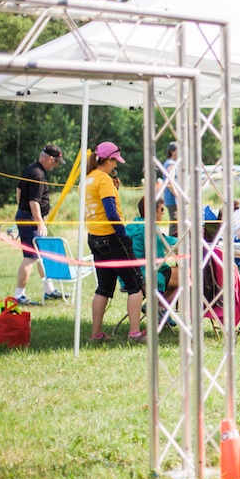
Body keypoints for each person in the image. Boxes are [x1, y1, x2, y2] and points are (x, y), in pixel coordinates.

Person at [85, 142, 145, 342]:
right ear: (108, 159)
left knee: (103, 287)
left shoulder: (88, 179)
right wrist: (123, 235)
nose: (116, 165)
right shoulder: (103, 180)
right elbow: (111, 212)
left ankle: (96, 334)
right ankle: (135, 333)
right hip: (113, 238)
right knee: (135, 284)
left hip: (95, 238)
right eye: (115, 161)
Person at [13, 144, 65, 306]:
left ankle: (49, 290)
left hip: (27, 217)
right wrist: (40, 223)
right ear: (50, 159)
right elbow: (33, 202)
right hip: (31, 220)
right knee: (30, 257)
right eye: (56, 162)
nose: (56, 166)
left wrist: (20, 209)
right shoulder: (38, 174)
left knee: (40, 255)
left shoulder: (31, 168)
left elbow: (18, 190)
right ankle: (18, 295)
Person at [127, 197, 180, 315]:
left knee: (176, 277)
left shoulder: (132, 226)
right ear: (152, 211)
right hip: (146, 275)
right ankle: (160, 309)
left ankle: (159, 307)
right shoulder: (150, 229)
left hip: (129, 276)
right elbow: (158, 261)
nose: (163, 213)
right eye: (161, 209)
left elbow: (163, 239)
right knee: (188, 276)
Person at [162, 141, 179, 237]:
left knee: (175, 223)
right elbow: (170, 182)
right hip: (173, 199)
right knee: (175, 224)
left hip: (171, 198)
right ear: (172, 151)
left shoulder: (168, 163)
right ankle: (172, 242)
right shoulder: (171, 164)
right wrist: (178, 195)